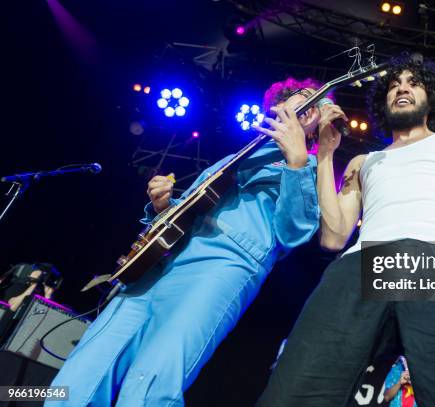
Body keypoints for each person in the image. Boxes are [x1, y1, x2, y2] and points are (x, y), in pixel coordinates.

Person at [257, 52, 435, 406]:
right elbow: (333, 237)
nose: (402, 89)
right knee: (298, 391)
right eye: (394, 85)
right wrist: (327, 154)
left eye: (413, 83)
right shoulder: (365, 162)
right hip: (362, 266)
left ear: (432, 97)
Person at [47, 77, 324, 406]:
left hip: (223, 266)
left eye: (314, 102)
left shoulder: (309, 167)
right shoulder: (233, 158)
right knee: (81, 375)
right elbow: (182, 217)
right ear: (276, 108)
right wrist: (162, 206)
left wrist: (296, 160)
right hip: (158, 266)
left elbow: (294, 232)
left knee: (152, 382)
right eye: (300, 97)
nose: (306, 104)